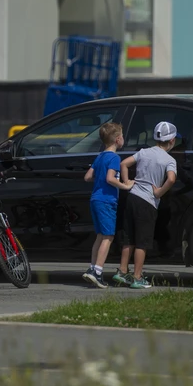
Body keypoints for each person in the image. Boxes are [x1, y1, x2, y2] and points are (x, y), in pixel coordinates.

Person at [114, 121, 178, 289]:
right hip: (148, 202)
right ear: (172, 141)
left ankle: (122, 271)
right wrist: (159, 192)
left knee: (129, 238)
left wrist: (127, 181)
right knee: (142, 241)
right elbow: (171, 179)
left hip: (132, 197)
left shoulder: (143, 152)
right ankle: (137, 277)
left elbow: (124, 164)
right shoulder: (170, 160)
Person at [81, 122, 134, 288]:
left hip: (95, 199)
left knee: (100, 236)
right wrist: (125, 186)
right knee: (108, 237)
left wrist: (100, 179)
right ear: (118, 139)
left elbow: (87, 177)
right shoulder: (114, 158)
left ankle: (92, 268)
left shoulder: (100, 156)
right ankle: (97, 271)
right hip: (106, 201)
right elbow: (110, 178)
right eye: (123, 136)